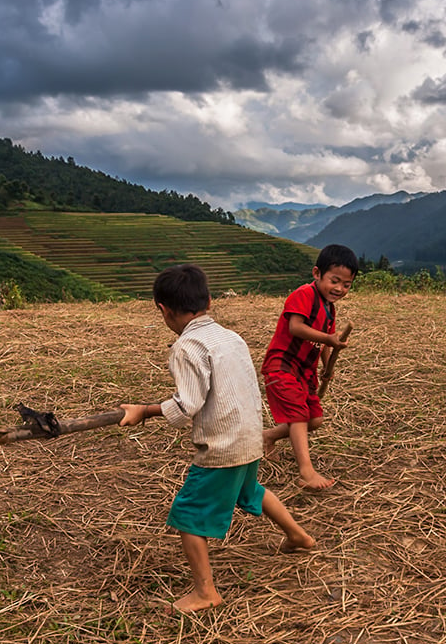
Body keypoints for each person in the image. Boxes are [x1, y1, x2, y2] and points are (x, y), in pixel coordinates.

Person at [120, 264, 315, 614]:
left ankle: (205, 592)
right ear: (209, 300)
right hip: (250, 436)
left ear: (163, 310)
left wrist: (144, 411)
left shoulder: (186, 347)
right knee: (250, 490)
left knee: (187, 514)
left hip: (222, 447)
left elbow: (187, 405)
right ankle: (298, 536)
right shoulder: (232, 337)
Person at [261, 244, 358, 491]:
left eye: (346, 285)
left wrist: (327, 365)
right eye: (334, 281)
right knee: (298, 416)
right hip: (282, 365)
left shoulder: (330, 309)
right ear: (317, 273)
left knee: (314, 420)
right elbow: (296, 328)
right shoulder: (304, 294)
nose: (339, 289)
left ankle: (267, 437)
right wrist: (329, 339)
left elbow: (325, 339)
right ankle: (306, 471)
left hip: (305, 371)